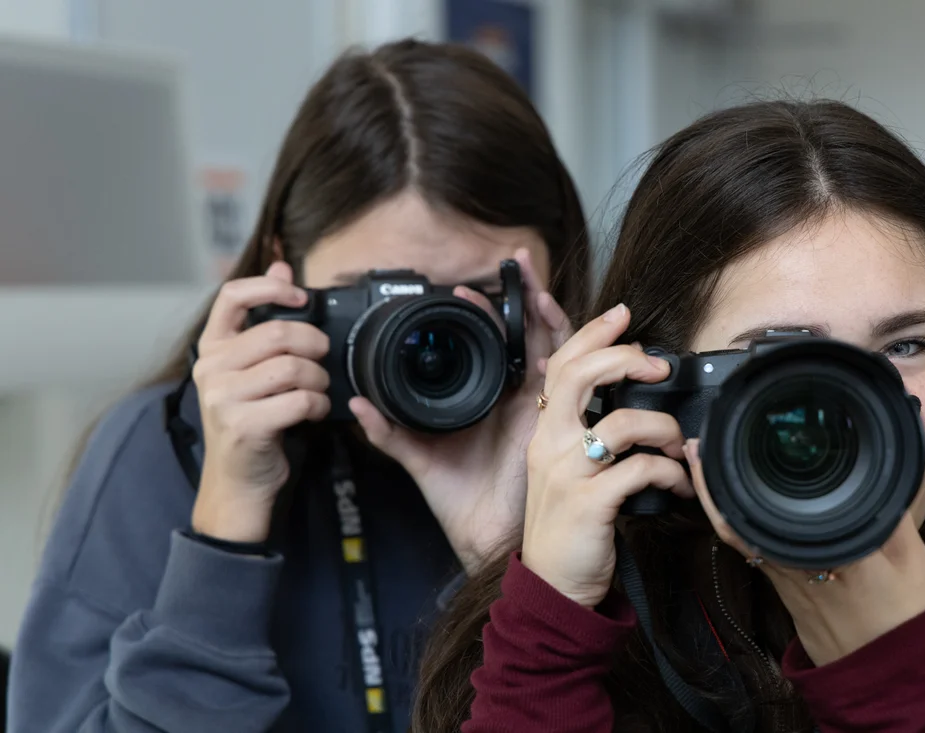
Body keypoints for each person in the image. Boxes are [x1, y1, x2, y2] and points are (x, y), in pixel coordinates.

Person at [411, 100, 925, 733]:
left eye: (905, 346)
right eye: (786, 361)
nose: (847, 416)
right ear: (661, 383)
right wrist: (551, 630)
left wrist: (888, 684)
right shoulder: (578, 629)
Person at [9, 39, 589, 733]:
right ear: (285, 272)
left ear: (555, 271)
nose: (426, 339)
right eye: (377, 298)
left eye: (483, 293)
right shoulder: (164, 448)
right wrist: (227, 521)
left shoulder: (603, 455)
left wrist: (516, 557)